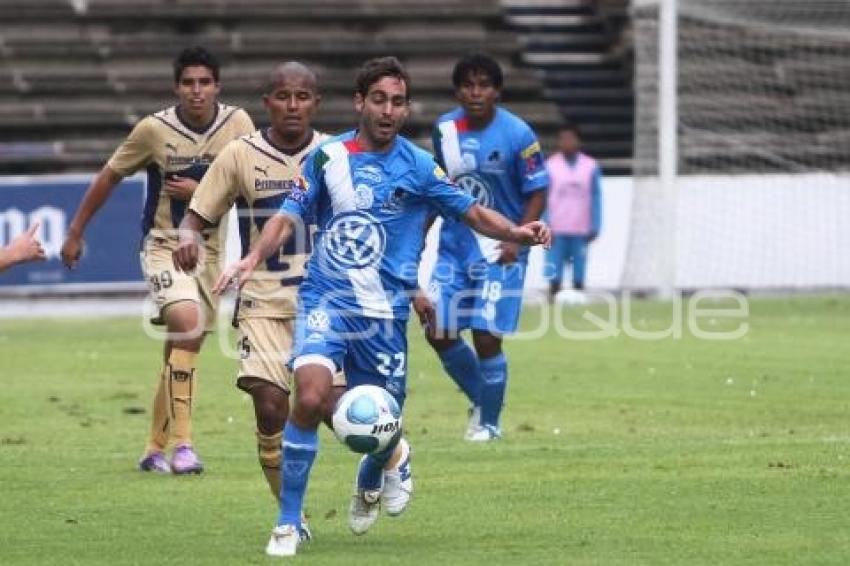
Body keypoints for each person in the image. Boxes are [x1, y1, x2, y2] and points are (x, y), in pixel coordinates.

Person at [213, 56, 550, 557]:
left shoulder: (418, 166)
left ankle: (378, 472)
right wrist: (251, 259)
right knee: (307, 397)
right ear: (359, 102)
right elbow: (288, 215)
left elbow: (471, 210)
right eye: (379, 99)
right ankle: (287, 523)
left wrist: (517, 231)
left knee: (379, 425)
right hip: (326, 299)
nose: (389, 110)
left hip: (384, 317)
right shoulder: (329, 157)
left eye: (398, 101)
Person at [60, 46, 255, 474]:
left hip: (210, 250)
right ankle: (185, 447)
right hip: (164, 246)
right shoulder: (153, 129)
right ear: (176, 87)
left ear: (217, 86)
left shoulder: (238, 124)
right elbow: (110, 175)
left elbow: (249, 186)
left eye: (205, 82)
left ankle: (153, 449)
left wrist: (201, 193)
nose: (197, 91)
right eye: (188, 83)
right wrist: (75, 231)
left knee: (181, 349)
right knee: (187, 326)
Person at [172, 62, 344, 537]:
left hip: (325, 304)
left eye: (303, 96)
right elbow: (196, 215)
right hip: (263, 301)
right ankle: (292, 515)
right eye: (283, 96)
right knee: (271, 406)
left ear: (316, 102)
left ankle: (391, 461)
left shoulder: (335, 155)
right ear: (265, 101)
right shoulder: (240, 154)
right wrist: (187, 237)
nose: (293, 105)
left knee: (337, 412)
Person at [420, 52, 549, 442]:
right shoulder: (445, 131)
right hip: (455, 246)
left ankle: (488, 424)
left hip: (501, 249)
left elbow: (537, 189)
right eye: (468, 85)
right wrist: (423, 230)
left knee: (486, 335)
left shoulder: (519, 134)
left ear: (497, 91)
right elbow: (439, 187)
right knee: (438, 330)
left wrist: (517, 239)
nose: (475, 92)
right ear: (458, 90)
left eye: (484, 85)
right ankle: (485, 399)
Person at [545, 122, 602, 301]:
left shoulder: (591, 166)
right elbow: (542, 197)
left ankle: (579, 297)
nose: (568, 142)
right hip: (556, 226)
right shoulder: (549, 165)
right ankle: (553, 297)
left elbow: (596, 196)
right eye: (564, 139)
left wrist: (596, 224)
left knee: (579, 267)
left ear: (578, 141)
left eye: (571, 138)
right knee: (554, 266)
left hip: (581, 225)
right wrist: (545, 224)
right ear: (558, 142)